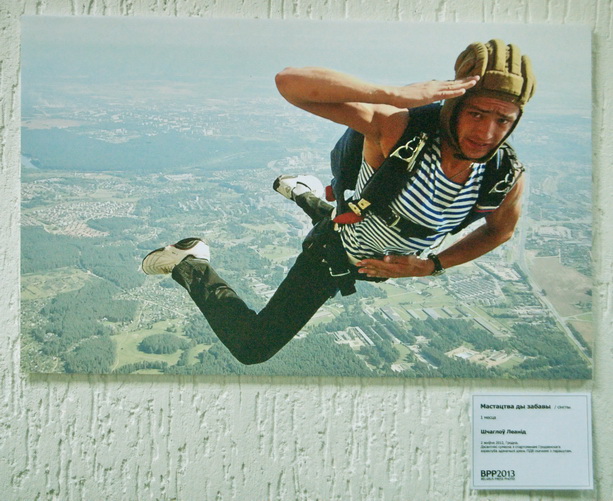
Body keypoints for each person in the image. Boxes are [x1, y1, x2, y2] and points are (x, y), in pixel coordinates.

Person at [141, 39, 536, 365]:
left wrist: (431, 265)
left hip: (368, 233)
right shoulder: (399, 131)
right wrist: (392, 95)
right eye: (476, 114)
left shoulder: (504, 175)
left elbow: (500, 231)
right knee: (253, 347)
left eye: (503, 120)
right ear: (454, 106)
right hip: (334, 251)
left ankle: (304, 192)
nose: (486, 133)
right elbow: (289, 83)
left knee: (354, 212)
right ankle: (189, 262)